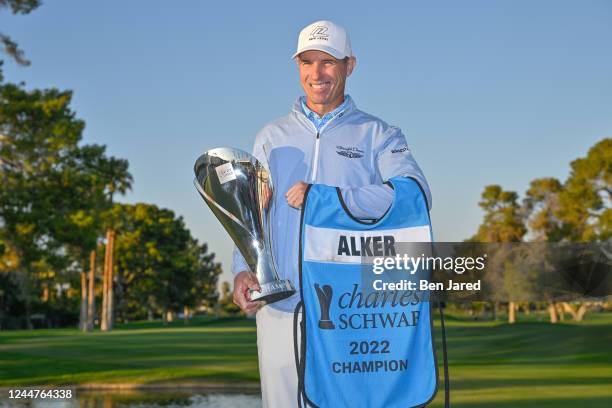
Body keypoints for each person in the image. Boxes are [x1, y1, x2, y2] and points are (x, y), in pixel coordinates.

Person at [231, 20, 431, 407]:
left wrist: (329, 199)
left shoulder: (378, 134)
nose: (316, 73)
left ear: (349, 66)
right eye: (307, 62)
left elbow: (415, 194)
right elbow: (249, 213)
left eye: (328, 62)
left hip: (347, 314)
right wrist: (242, 267)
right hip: (279, 306)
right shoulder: (270, 137)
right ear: (297, 66)